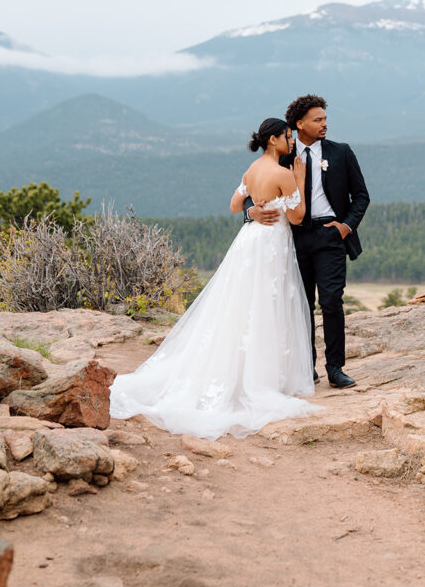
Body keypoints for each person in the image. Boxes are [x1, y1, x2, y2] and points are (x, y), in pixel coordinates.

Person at [109, 118, 322, 440]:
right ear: (274, 140)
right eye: (287, 137)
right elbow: (297, 216)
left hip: (249, 241)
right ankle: (260, 377)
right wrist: (299, 179)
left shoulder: (251, 170)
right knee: (266, 304)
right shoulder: (282, 174)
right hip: (272, 244)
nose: (291, 142)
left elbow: (236, 205)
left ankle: (239, 368)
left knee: (240, 302)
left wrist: (252, 212)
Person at [245, 95, 370, 389]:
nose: (325, 124)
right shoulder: (283, 155)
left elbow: (362, 196)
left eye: (325, 119)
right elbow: (253, 187)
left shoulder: (341, 152)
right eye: (318, 119)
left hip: (330, 235)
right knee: (300, 304)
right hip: (293, 237)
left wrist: (345, 227)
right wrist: (251, 212)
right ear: (299, 124)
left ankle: (336, 368)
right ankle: (305, 367)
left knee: (331, 301)